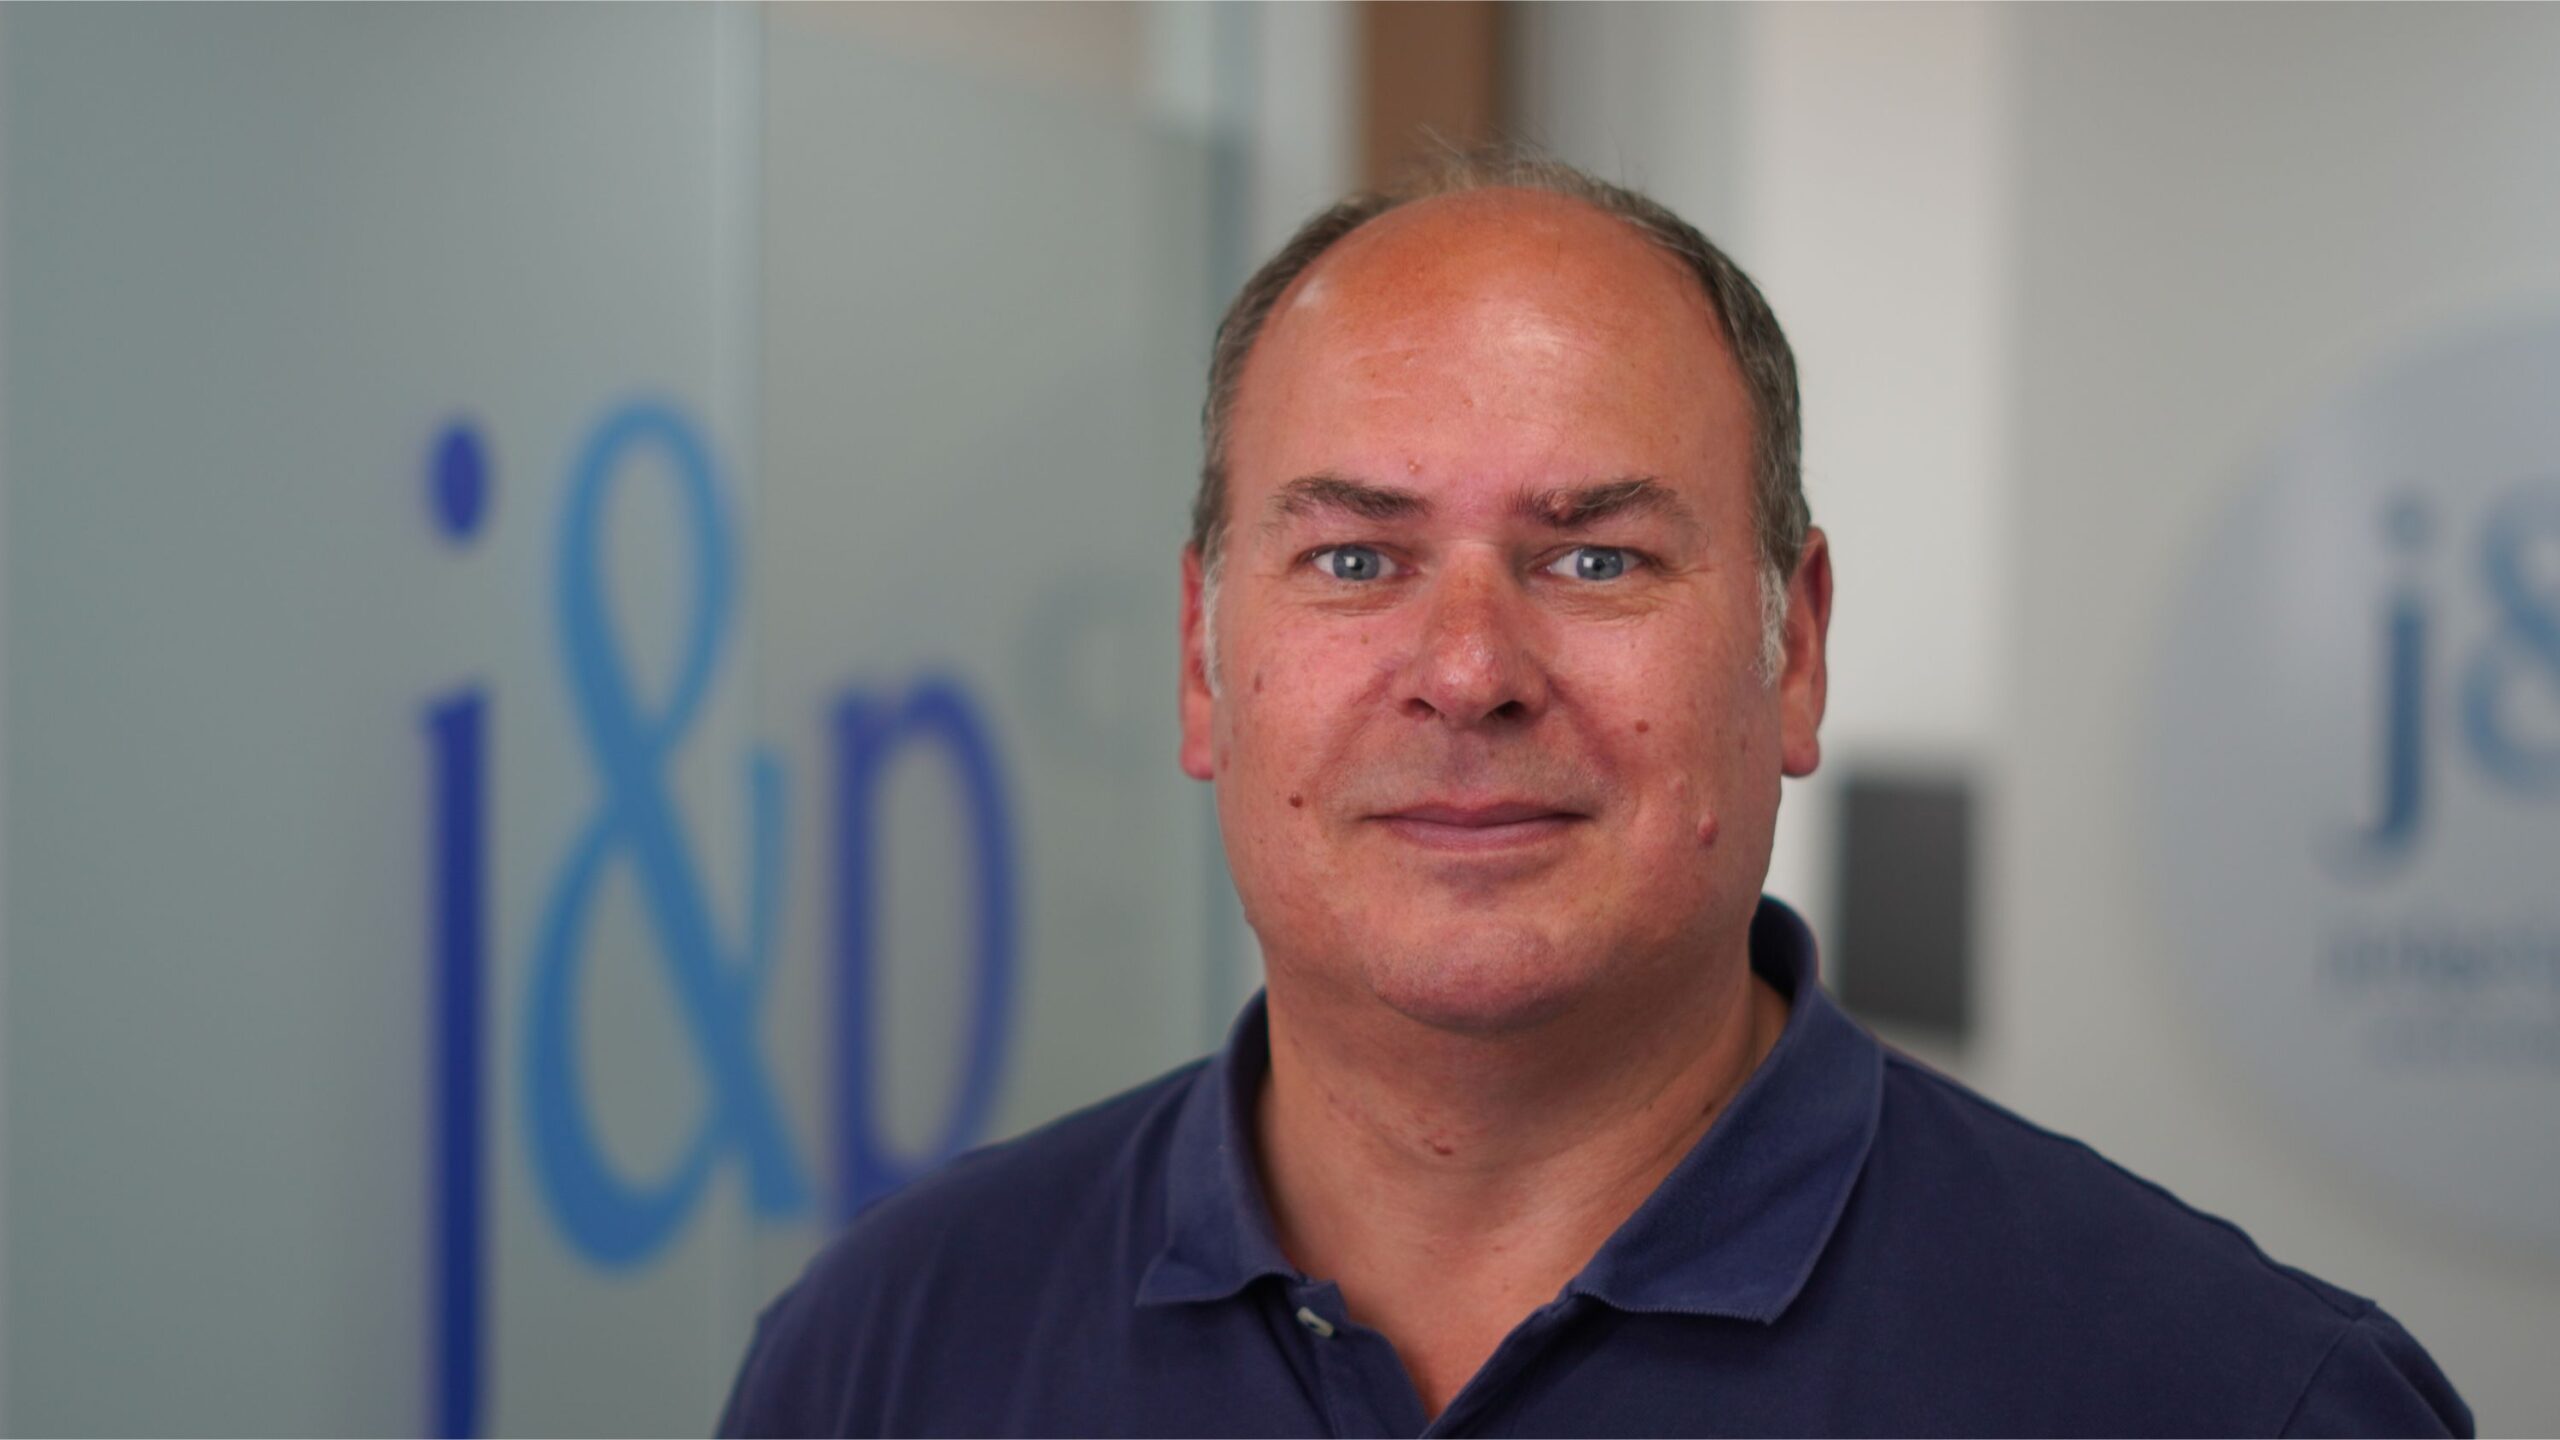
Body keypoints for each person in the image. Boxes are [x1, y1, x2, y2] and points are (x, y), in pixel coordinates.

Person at [718, 152, 2470, 1438]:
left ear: (1794, 650)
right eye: (1354, 558)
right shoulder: (888, 1356)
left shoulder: (2233, 1398)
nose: (1468, 670)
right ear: (1199, 659)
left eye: (1597, 559)